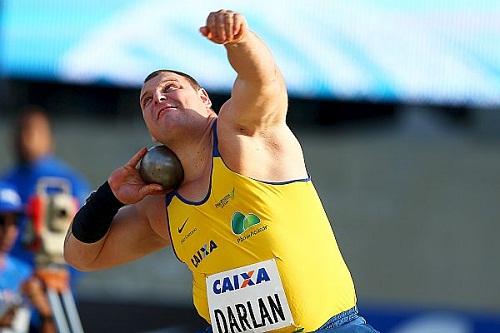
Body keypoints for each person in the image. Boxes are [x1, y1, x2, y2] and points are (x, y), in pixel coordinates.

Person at [64, 10, 379, 333]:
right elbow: (82, 257)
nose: (158, 98)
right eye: (147, 101)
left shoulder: (244, 135)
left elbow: (263, 80)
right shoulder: (160, 207)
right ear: (150, 129)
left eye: (170, 88)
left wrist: (239, 40)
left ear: (203, 98)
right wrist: (109, 197)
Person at [0, 181, 56, 333]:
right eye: (1, 221)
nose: (8, 231)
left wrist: (45, 313)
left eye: (15, 222)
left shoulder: (24, 272)